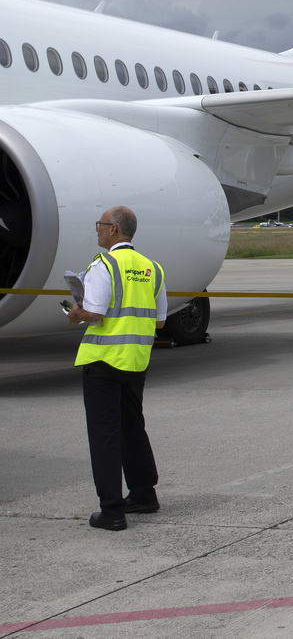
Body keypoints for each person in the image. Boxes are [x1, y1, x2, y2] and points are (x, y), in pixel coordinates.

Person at [66, 206, 167, 531]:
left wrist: (76, 313)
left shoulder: (104, 264)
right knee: (131, 426)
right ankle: (143, 493)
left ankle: (111, 510)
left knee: (104, 434)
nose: (97, 229)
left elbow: (95, 313)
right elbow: (161, 320)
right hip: (136, 362)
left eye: (100, 224)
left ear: (113, 230)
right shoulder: (153, 268)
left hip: (103, 360)